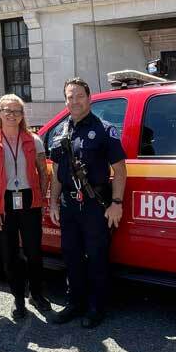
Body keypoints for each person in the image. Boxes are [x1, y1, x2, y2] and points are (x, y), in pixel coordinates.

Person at [48, 78, 127, 328]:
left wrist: (116, 202)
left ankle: (96, 307)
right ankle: (74, 303)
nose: (74, 101)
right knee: (71, 256)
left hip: (95, 205)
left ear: (89, 98)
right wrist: (53, 203)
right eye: (69, 97)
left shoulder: (105, 129)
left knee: (96, 257)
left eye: (79, 96)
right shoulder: (61, 130)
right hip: (69, 204)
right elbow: (57, 172)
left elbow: (120, 170)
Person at [0, 94, 52, 320]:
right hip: (4, 203)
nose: (12, 115)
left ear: (22, 116)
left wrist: (41, 198)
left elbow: (43, 172)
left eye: (16, 111)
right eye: (7, 111)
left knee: (33, 252)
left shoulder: (33, 140)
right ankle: (18, 298)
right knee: (10, 254)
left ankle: (37, 294)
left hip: (29, 200)